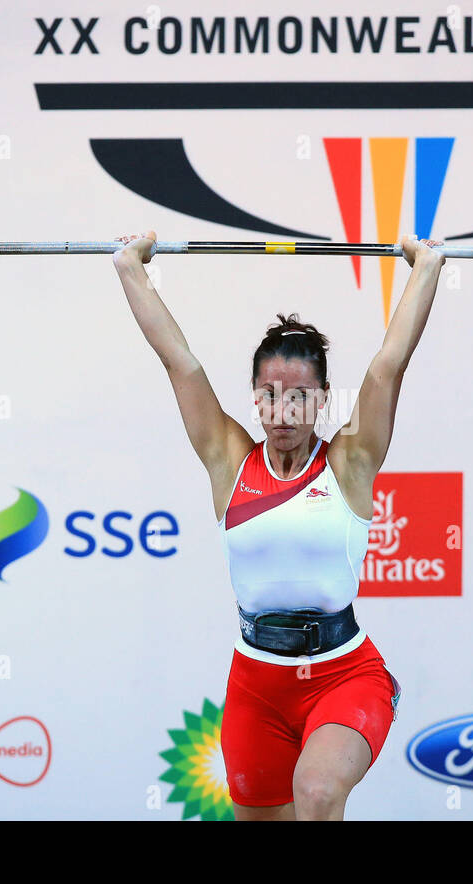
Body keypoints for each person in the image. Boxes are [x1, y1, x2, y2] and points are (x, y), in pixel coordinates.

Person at [112, 231, 445, 819]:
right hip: (256, 688)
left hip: (344, 675)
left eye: (299, 397)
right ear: (255, 400)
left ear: (322, 401)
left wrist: (425, 268)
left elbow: (389, 364)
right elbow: (178, 362)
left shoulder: (350, 461)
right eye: (269, 395)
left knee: (317, 793)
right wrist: (130, 268)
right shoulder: (228, 460)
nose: (283, 411)